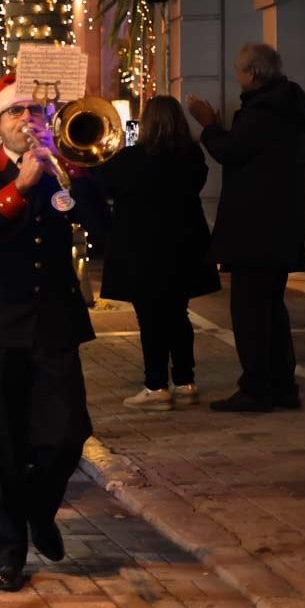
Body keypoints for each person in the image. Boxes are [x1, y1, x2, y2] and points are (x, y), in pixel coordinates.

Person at [0, 76, 95, 592]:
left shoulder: (65, 170)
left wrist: (72, 176)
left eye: (34, 111)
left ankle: (39, 511)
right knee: (0, 444)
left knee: (68, 433)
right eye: (15, 113)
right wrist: (21, 187)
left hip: (53, 323)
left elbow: (103, 227)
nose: (26, 120)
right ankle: (8, 547)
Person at [187, 43, 305, 412]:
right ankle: (281, 385)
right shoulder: (286, 107)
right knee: (271, 310)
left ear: (255, 74)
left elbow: (231, 151)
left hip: (255, 231)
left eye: (239, 70)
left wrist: (209, 125)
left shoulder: (263, 111)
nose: (236, 76)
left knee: (250, 313)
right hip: (278, 228)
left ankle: (257, 388)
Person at [94, 96, 219, 409]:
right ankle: (185, 382)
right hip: (183, 248)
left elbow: (104, 185)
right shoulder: (191, 155)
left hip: (143, 251)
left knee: (151, 319)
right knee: (178, 314)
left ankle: (156, 385)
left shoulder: (131, 159)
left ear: (146, 123)